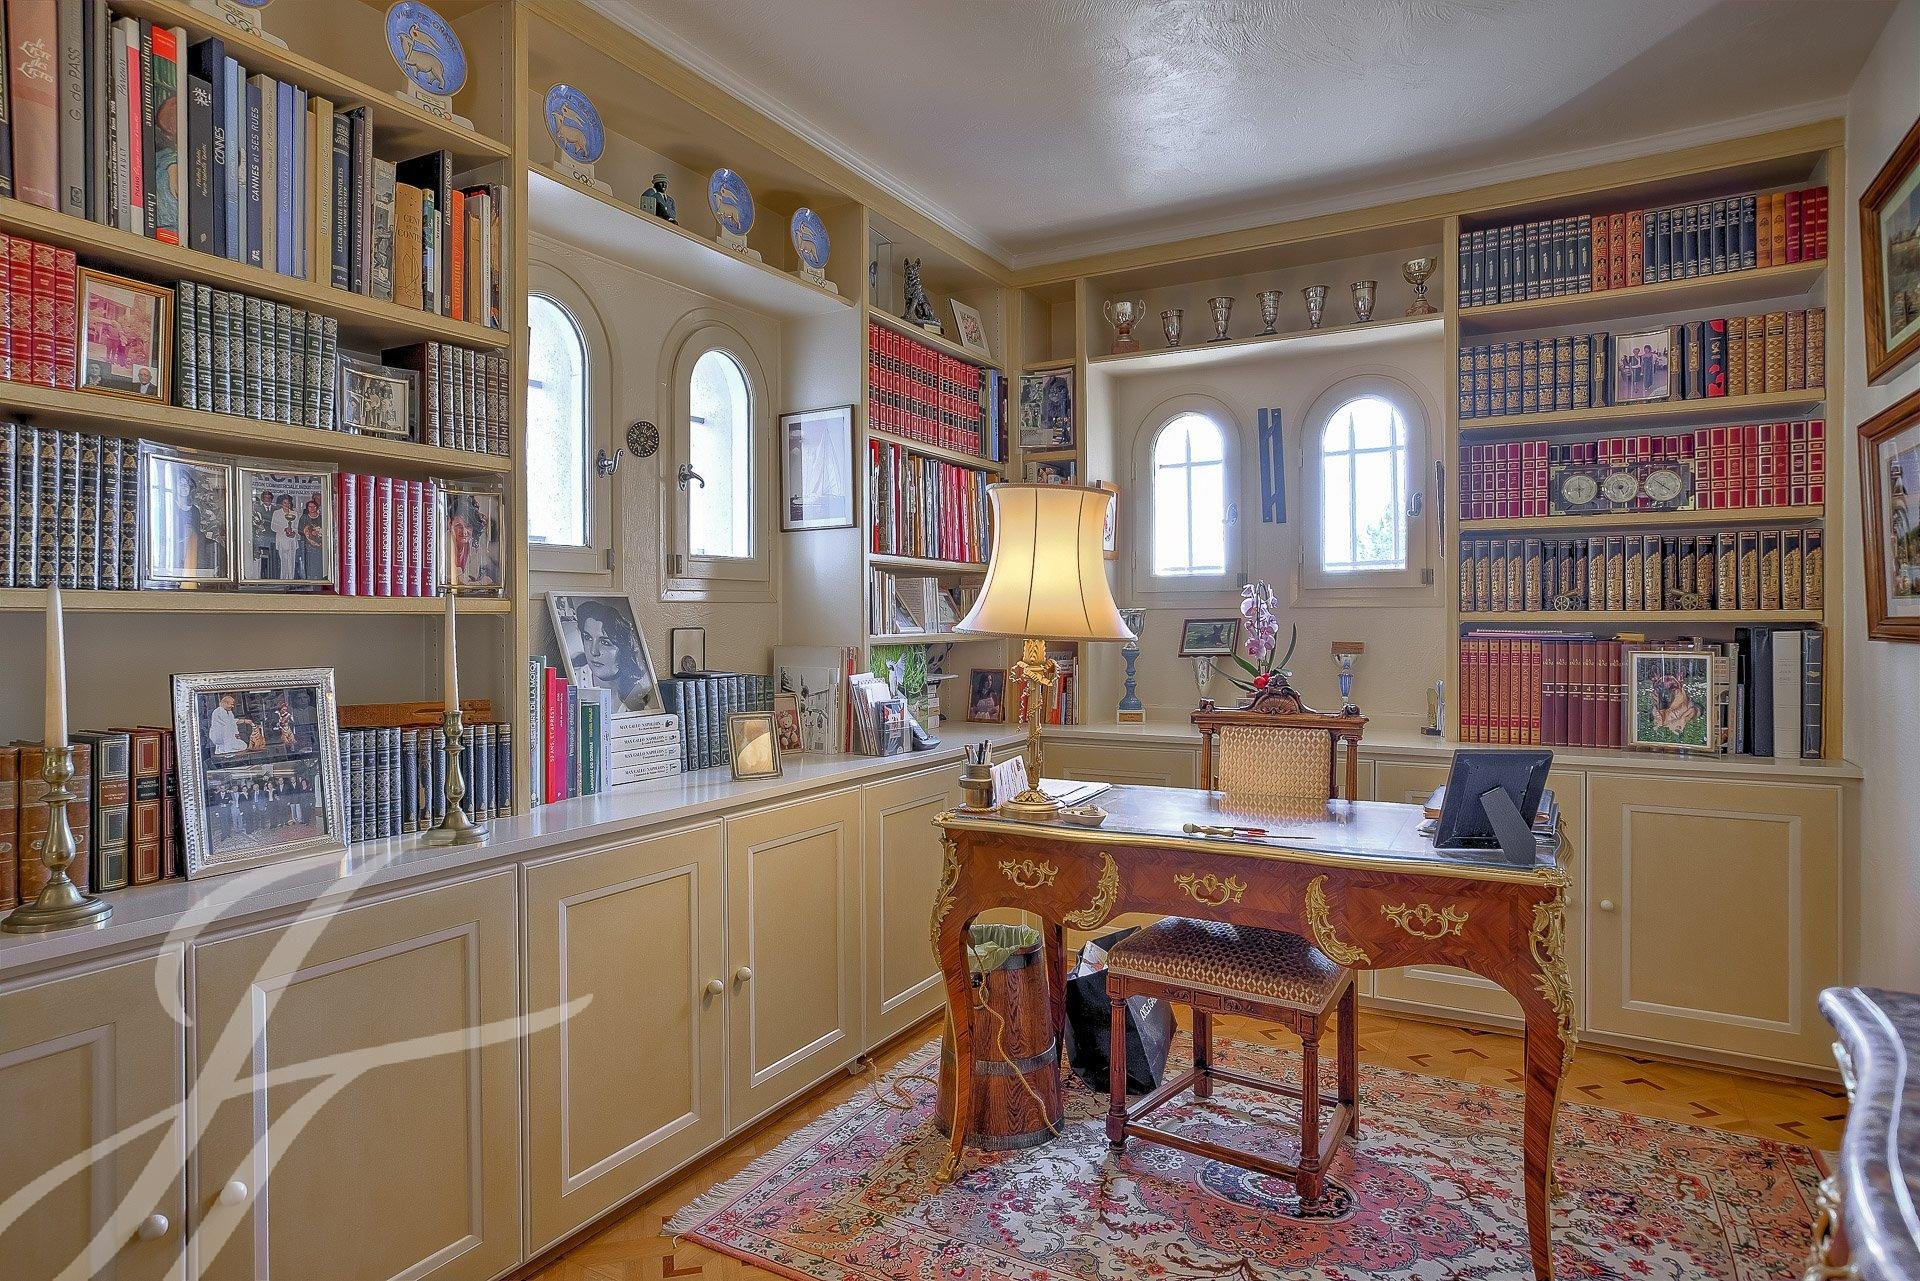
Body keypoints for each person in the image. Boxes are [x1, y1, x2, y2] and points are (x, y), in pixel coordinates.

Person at [573, 599, 655, 713]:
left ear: (624, 649)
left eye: (605, 642)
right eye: (588, 637)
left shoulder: (639, 690)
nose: (593, 651)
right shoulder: (573, 681)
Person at [272, 495, 300, 581]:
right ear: (281, 503)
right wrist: (284, 529)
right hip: (282, 540)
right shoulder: (276, 513)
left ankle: (291, 580)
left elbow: (297, 527)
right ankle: (283, 580)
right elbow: (273, 527)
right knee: (283, 561)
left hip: (292, 540)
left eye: (288, 503)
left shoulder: (294, 513)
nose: (287, 505)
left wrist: (294, 533)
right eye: (285, 503)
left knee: (291, 560)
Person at [298, 497, 325, 580]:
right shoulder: (304, 518)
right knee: (308, 563)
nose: (312, 508)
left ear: (317, 507)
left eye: (314, 506)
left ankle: (319, 579)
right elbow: (300, 530)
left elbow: (325, 530)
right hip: (307, 545)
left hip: (319, 545)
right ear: (307, 508)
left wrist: (318, 533)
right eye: (310, 507)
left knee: (319, 563)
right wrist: (310, 533)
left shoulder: (321, 518)